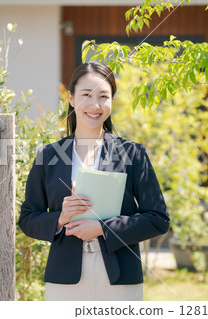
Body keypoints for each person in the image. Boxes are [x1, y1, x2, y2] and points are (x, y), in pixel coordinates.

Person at [18, 61, 170, 301]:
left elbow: (158, 219)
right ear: (71, 98)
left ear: (112, 101)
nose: (95, 105)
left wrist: (102, 228)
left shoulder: (132, 154)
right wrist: (61, 217)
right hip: (65, 279)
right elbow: (28, 219)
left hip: (119, 278)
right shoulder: (48, 157)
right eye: (86, 95)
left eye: (103, 96)